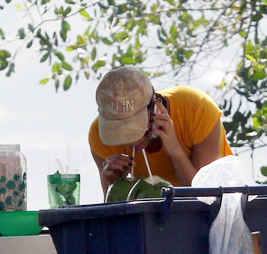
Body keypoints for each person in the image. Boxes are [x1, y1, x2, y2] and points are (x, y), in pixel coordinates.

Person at [89, 67, 233, 195]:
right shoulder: (98, 136)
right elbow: (115, 218)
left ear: (155, 108)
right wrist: (113, 183)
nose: (129, 140)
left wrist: (176, 152)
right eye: (118, 131)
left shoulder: (197, 110)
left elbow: (206, 201)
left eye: (133, 128)